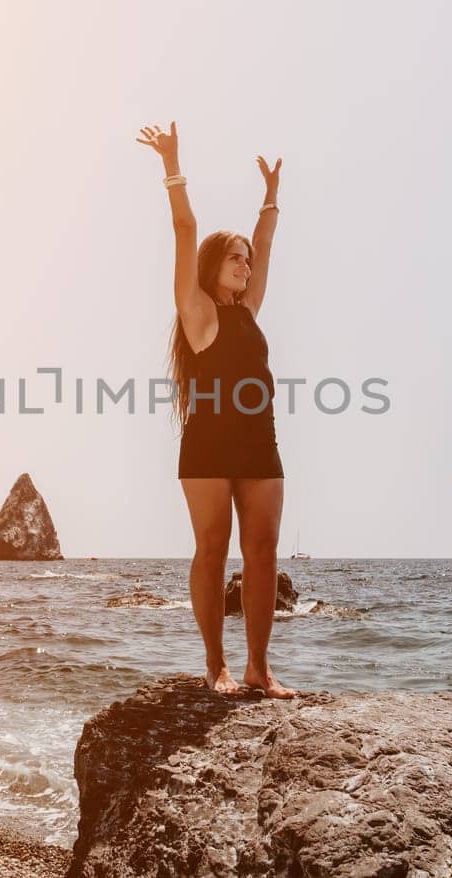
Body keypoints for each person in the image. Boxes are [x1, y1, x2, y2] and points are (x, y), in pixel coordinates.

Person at [135, 120, 296, 700]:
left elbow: (268, 244)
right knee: (212, 546)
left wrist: (271, 199)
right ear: (212, 264)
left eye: (247, 261)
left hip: (260, 441)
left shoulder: (249, 310)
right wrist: (171, 165)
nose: (246, 266)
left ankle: (258, 667)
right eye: (235, 258)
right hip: (206, 444)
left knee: (263, 549)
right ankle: (215, 665)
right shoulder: (197, 312)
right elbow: (185, 226)